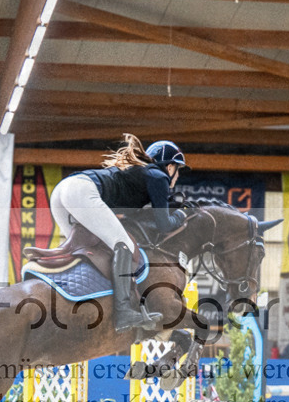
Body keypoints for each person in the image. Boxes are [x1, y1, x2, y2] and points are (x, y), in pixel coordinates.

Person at [49, 134, 189, 333]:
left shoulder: (141, 173)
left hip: (62, 192)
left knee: (89, 250)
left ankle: (76, 301)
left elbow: (137, 216)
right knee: (124, 245)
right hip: (81, 192)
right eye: (178, 170)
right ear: (170, 167)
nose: (177, 175)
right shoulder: (159, 177)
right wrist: (182, 215)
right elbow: (164, 225)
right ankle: (123, 311)